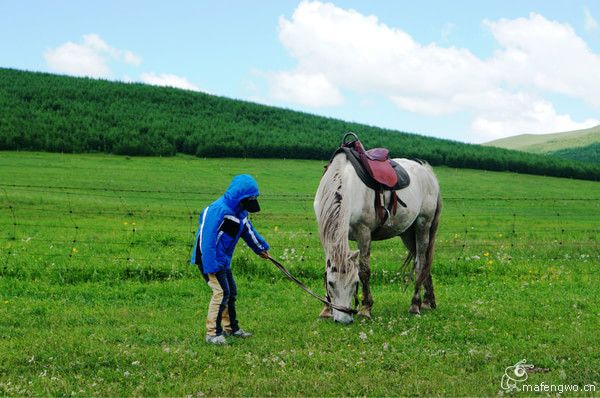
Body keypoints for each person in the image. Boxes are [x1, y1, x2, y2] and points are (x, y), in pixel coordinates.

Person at [191, 174, 270, 345]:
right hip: (208, 259)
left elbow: (248, 232)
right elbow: (207, 239)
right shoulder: (217, 211)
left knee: (231, 292)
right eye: (249, 200)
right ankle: (212, 334)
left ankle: (230, 328)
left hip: (223, 259)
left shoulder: (241, 213)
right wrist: (210, 264)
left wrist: (261, 248)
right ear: (239, 197)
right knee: (221, 292)